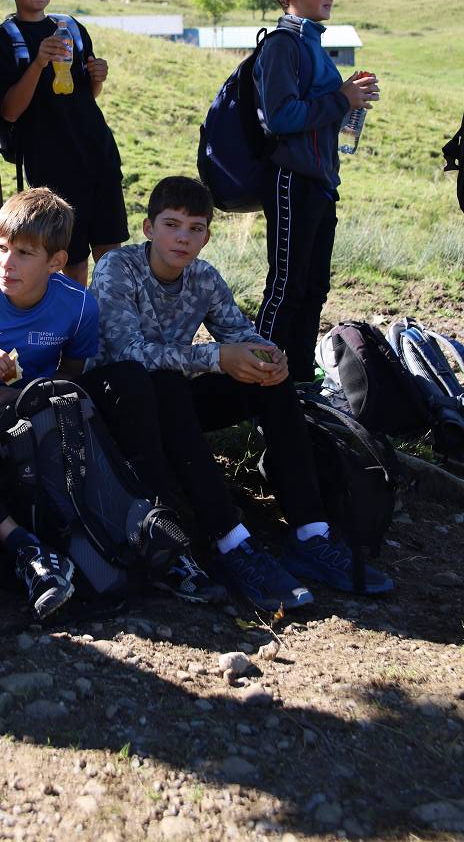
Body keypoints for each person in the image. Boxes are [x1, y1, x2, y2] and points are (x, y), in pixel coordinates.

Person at [0, 187, 223, 618]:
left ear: (56, 262)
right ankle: (22, 546)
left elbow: (73, 374)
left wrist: (24, 395)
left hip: (42, 423)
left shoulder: (77, 305)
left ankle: (160, 533)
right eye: (2, 248)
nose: (6, 263)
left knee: (129, 378)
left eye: (24, 253)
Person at [88, 176, 393, 611]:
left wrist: (269, 357)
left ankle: (310, 533)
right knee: (166, 383)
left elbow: (238, 334)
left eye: (195, 228)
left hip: (172, 398)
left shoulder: (204, 277)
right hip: (118, 404)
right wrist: (217, 357)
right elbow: (128, 354)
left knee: (269, 380)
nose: (182, 237)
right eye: (172, 225)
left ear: (207, 237)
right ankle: (230, 541)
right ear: (148, 228)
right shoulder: (118, 267)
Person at [253, 0, 379, 381]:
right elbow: (280, 118)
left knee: (313, 290)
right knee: (286, 288)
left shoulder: (313, 45)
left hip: (321, 183)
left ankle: (301, 381)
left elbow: (317, 115)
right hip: (292, 179)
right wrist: (342, 98)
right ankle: (258, 383)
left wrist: (350, 101)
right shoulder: (282, 44)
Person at [0, 0, 128, 286]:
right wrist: (38, 62)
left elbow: (85, 96)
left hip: (97, 151)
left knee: (110, 253)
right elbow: (9, 111)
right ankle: (74, 317)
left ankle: (109, 316)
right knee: (69, 257)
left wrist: (97, 78)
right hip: (51, 162)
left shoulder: (71, 28)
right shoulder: (4, 40)